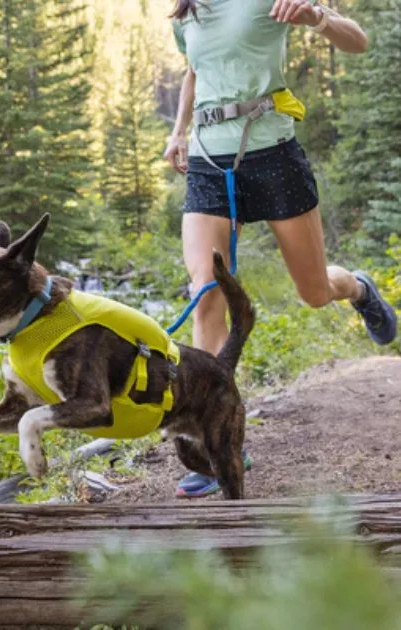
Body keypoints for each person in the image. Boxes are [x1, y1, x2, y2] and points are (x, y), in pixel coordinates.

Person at [165, 0, 398, 498]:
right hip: (208, 161)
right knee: (207, 291)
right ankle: (217, 442)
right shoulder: (188, 10)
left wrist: (317, 17)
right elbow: (193, 71)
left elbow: (357, 40)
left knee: (314, 291)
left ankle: (357, 288)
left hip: (271, 154)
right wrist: (178, 130)